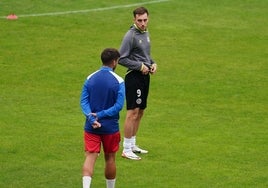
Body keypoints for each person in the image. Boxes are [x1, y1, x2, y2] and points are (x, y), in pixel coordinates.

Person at [80, 48, 125, 188]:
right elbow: (118, 106)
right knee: (110, 158)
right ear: (114, 62)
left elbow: (84, 102)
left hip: (91, 126)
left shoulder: (90, 78)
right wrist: (100, 115)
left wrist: (92, 118)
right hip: (110, 127)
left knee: (90, 156)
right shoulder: (119, 81)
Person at [118, 7, 157, 160]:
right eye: (139, 20)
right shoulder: (130, 36)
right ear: (134, 19)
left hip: (145, 77)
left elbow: (145, 55)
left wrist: (152, 63)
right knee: (132, 112)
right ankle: (126, 149)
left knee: (140, 112)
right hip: (134, 77)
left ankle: (133, 143)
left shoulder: (145, 33)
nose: (142, 23)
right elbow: (121, 58)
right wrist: (140, 66)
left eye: (145, 20)